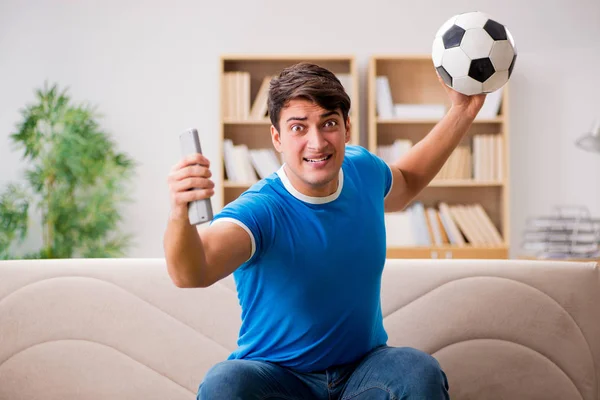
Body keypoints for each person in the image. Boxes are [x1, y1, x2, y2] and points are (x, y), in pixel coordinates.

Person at [164, 62, 485, 399]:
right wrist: (178, 213)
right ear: (277, 137)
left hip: (362, 373)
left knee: (416, 370)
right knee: (224, 383)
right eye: (298, 128)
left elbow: (407, 181)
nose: (317, 142)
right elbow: (191, 272)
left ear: (347, 127)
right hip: (278, 379)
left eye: (328, 123)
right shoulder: (260, 210)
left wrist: (462, 110)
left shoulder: (362, 169)